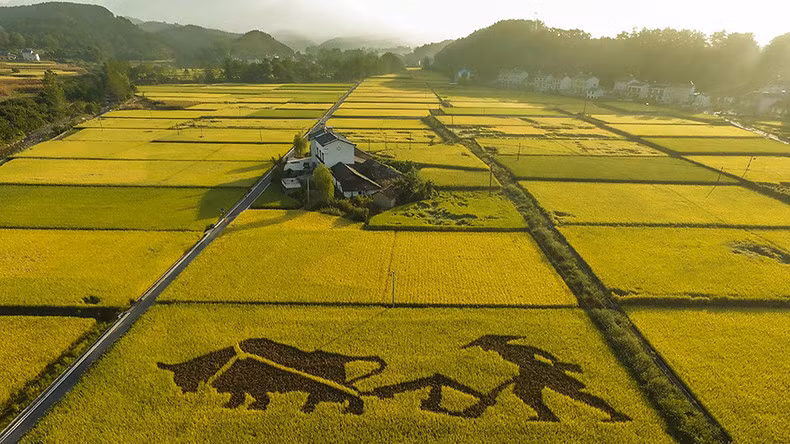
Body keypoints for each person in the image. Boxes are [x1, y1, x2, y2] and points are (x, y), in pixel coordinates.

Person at [463, 335, 631, 422]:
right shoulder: (505, 352)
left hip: (542, 373)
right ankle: (546, 415)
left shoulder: (511, 350)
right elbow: (535, 355)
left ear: (495, 344)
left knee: (574, 395)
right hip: (532, 374)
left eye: (487, 346)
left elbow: (536, 354)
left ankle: (614, 414)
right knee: (523, 394)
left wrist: (554, 363)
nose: (486, 349)